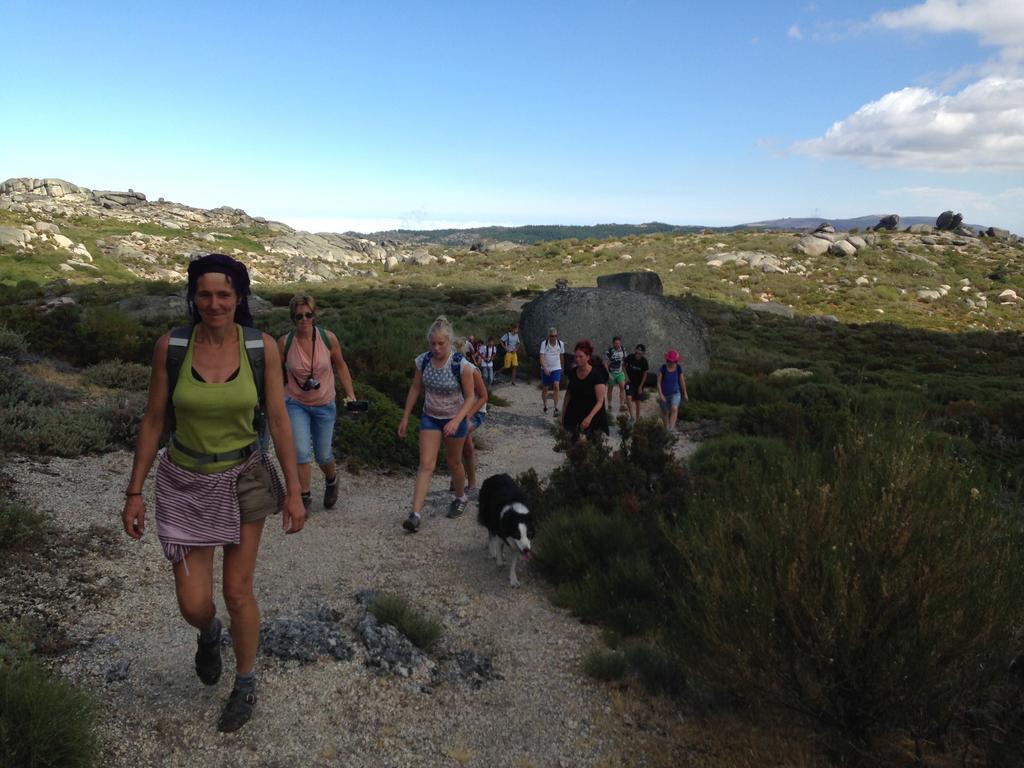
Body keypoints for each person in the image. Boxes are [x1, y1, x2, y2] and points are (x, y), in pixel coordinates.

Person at [120, 254, 305, 734]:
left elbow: (280, 420)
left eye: (224, 294)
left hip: (244, 477)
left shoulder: (261, 346)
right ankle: (208, 633)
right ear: (193, 296)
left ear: (239, 297)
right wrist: (135, 491)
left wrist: (294, 491)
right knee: (193, 602)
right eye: (205, 294)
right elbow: (154, 419)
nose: (214, 303)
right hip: (184, 482)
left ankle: (245, 681)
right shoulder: (172, 346)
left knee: (238, 590)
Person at [278, 293, 357, 513]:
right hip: (296, 403)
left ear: (315, 315)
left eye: (308, 315)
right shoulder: (285, 342)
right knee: (301, 452)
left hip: (324, 403)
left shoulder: (327, 338)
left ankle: (331, 479)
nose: (303, 320)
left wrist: (351, 394)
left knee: (323, 455)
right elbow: (275, 372)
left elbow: (340, 366)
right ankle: (304, 497)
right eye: (298, 316)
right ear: (293, 318)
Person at [397, 316, 476, 531]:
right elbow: (415, 388)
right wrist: (405, 416)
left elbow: (470, 397)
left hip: (454, 418)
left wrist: (457, 421)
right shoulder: (422, 361)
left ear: (449, 342)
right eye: (433, 343)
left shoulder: (462, 365)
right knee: (426, 464)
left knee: (454, 463)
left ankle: (460, 497)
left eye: (441, 344)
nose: (436, 348)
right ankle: (415, 514)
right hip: (430, 417)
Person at [560, 340, 610, 440]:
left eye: (581, 356)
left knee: (593, 447)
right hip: (574, 412)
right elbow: (568, 393)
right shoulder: (573, 373)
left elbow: (600, 401)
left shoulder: (596, 375)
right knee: (571, 444)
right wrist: (563, 413)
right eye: (576, 356)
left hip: (593, 415)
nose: (577, 359)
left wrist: (589, 417)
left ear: (587, 357)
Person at [458, 340, 489, 493]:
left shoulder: (471, 370)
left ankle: (463, 482)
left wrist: (467, 416)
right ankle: (468, 482)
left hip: (476, 412)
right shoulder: (449, 370)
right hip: (459, 413)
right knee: (467, 447)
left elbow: (483, 397)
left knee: (460, 439)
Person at [657, 348, 689, 430]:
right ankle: (666, 429)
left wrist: (685, 393)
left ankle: (671, 429)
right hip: (664, 394)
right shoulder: (663, 368)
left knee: (674, 409)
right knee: (665, 412)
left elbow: (682, 382)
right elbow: (658, 383)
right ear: (667, 360)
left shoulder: (678, 368)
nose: (672, 363)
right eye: (670, 361)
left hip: (675, 393)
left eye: (674, 361)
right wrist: (661, 395)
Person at [539, 327, 566, 416]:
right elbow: (541, 357)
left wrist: (562, 367)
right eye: (552, 336)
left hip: (556, 368)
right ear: (549, 336)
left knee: (556, 386)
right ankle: (545, 406)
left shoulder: (560, 344)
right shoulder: (544, 343)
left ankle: (556, 408)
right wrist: (545, 368)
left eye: (555, 336)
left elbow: (562, 356)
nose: (554, 337)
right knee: (545, 388)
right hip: (545, 368)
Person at [623, 343, 649, 422]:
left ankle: (638, 420)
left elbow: (645, 374)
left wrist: (641, 386)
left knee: (638, 402)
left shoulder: (644, 362)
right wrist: (626, 377)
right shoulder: (630, 357)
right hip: (629, 382)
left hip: (638, 384)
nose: (637, 355)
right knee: (628, 397)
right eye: (636, 352)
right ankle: (632, 416)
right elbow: (623, 366)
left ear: (643, 354)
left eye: (640, 354)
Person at [604, 336, 627, 412]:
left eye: (619, 343)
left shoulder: (623, 350)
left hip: (620, 372)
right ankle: (610, 404)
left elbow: (625, 361)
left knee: (622, 387)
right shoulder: (609, 351)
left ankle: (622, 405)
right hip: (611, 373)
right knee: (610, 388)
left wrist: (626, 373)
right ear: (613, 343)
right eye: (616, 343)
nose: (618, 345)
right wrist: (608, 374)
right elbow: (605, 363)